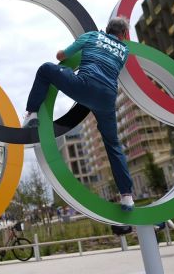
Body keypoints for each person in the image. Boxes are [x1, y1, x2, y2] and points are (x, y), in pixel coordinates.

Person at [23, 16, 134, 211]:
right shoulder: (124, 50)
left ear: (105, 29)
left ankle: (32, 114)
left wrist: (65, 52)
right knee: (113, 144)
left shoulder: (91, 36)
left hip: (83, 86)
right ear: (124, 35)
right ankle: (126, 196)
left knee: (45, 69)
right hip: (107, 98)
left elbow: (61, 57)